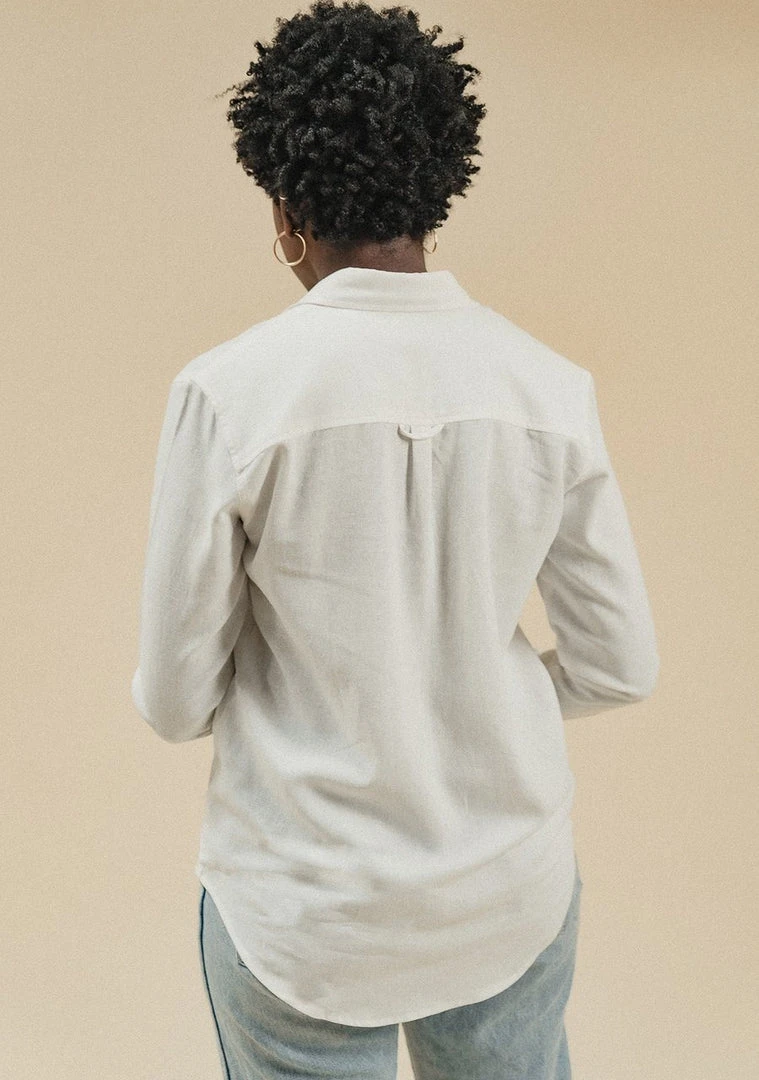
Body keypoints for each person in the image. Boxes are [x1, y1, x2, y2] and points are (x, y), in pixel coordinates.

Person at [130, 2, 660, 1077]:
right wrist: (472, 689)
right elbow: (620, 665)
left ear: (284, 209)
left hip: (306, 910)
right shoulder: (548, 388)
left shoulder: (229, 395)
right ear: (435, 193)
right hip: (505, 893)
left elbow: (176, 700)